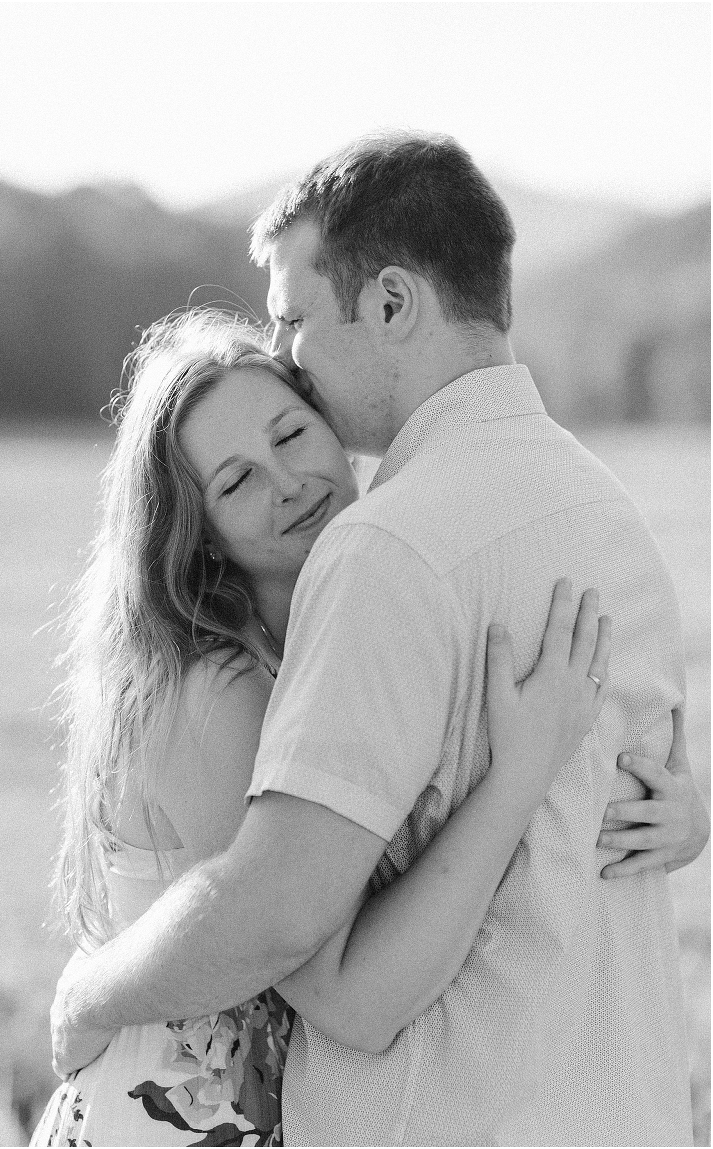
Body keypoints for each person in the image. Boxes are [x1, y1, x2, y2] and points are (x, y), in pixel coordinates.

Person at [51, 134, 709, 1147]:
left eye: (295, 321)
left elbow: (297, 938)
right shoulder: (605, 511)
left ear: (393, 304)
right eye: (235, 480)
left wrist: (91, 991)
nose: (288, 360)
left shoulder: (388, 547)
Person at [32, 309, 615, 1146]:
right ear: (196, 539)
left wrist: (663, 807)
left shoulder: (325, 643)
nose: (289, 481)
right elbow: (349, 993)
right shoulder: (217, 689)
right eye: (235, 482)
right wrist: (521, 775)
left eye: (291, 434)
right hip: (168, 1121)